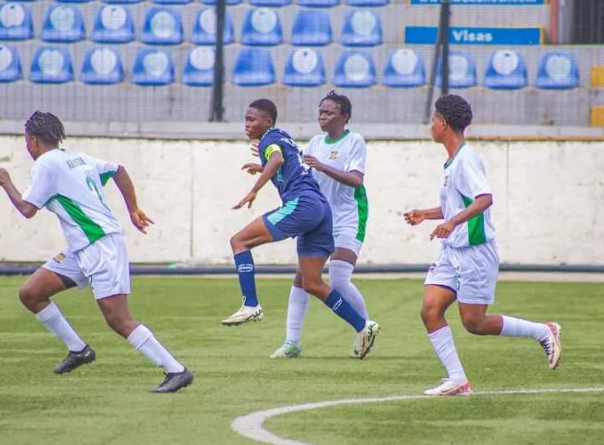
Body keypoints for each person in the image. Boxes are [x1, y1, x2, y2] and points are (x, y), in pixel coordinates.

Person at [0, 111, 193, 393]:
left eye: (27, 141)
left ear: (34, 141)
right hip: (82, 248)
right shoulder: (77, 157)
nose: (27, 146)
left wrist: (5, 182)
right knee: (31, 293)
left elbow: (27, 209)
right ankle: (79, 350)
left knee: (118, 319)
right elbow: (118, 170)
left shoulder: (46, 164)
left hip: (100, 246)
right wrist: (133, 208)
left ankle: (176, 370)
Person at [403, 94, 562, 396]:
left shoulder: (467, 160)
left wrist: (452, 222)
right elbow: (456, 205)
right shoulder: (451, 162)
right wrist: (426, 214)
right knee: (430, 310)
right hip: (451, 251)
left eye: (433, 120)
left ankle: (544, 331)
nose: (430, 125)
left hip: (475, 253)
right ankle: (458, 380)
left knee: (474, 323)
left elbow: (485, 198)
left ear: (443, 123)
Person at [222, 99, 379, 359]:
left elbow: (278, 159)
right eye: (320, 112)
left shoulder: (272, 140)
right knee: (310, 282)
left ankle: (251, 304)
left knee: (239, 241)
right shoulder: (301, 140)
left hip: (325, 211)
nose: (246, 124)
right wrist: (263, 167)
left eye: (251, 119)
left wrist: (254, 189)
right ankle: (361, 327)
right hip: (321, 211)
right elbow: (293, 165)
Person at [270, 91, 370, 359]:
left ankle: (365, 327)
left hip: (348, 217)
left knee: (338, 279)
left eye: (328, 112)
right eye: (320, 112)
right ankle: (291, 342)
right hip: (320, 218)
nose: (322, 116)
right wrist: (268, 167)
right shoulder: (315, 142)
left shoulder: (355, 141)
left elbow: (356, 180)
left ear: (344, 116)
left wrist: (323, 166)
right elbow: (299, 173)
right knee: (303, 277)